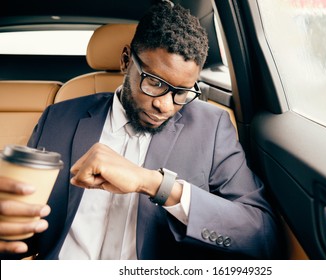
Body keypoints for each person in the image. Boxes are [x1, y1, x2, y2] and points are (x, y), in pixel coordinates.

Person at [0, 2, 283, 260]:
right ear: (125, 61)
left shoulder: (212, 127)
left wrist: (155, 185)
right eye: (155, 82)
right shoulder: (59, 117)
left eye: (181, 92)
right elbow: (21, 223)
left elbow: (261, 235)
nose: (165, 105)